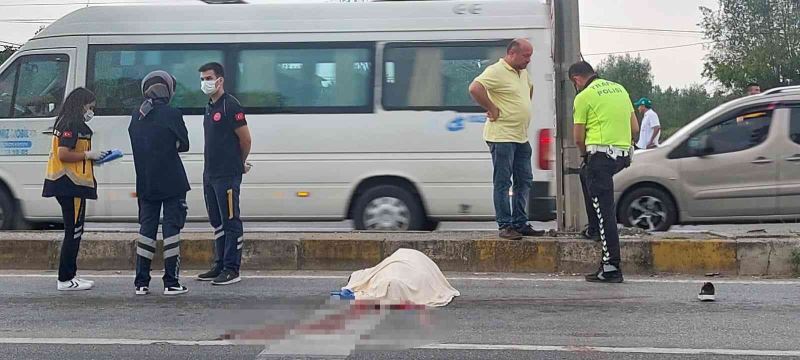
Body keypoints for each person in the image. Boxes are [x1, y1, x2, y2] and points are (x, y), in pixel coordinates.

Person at [468, 38, 544, 240]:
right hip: (501, 136)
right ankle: (505, 225)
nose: (529, 60)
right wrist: (492, 108)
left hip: (520, 135)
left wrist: (522, 107)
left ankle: (520, 222)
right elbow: (475, 88)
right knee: (503, 182)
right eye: (526, 55)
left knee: (524, 180)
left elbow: (529, 90)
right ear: (512, 53)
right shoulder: (496, 71)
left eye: (530, 56)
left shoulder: (523, 73)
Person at [569, 61, 638, 283]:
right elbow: (635, 128)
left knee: (605, 210)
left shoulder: (584, 96)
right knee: (584, 174)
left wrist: (585, 155)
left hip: (600, 157)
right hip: (622, 156)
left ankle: (611, 267)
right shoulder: (619, 88)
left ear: (576, 80)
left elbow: (578, 138)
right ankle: (594, 229)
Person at [129, 70, 191, 296]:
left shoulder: (137, 114)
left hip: (145, 181)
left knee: (146, 230)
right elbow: (184, 144)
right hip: (172, 182)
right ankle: (171, 283)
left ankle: (141, 283)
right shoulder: (172, 114)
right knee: (171, 231)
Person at [42, 87, 109, 291]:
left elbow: (72, 153)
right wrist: (88, 155)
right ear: (81, 104)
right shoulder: (71, 124)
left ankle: (70, 275)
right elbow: (64, 154)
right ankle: (65, 278)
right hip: (70, 184)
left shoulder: (65, 121)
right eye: (90, 107)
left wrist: (93, 158)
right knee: (74, 232)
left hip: (67, 182)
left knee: (74, 231)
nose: (91, 111)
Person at [195, 62, 253, 286]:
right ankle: (219, 264)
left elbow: (246, 139)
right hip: (210, 173)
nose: (205, 83)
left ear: (220, 80)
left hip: (227, 174)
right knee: (217, 221)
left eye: (208, 78)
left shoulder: (231, 106)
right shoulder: (210, 106)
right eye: (202, 79)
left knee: (230, 220)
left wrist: (239, 163)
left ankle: (232, 268)